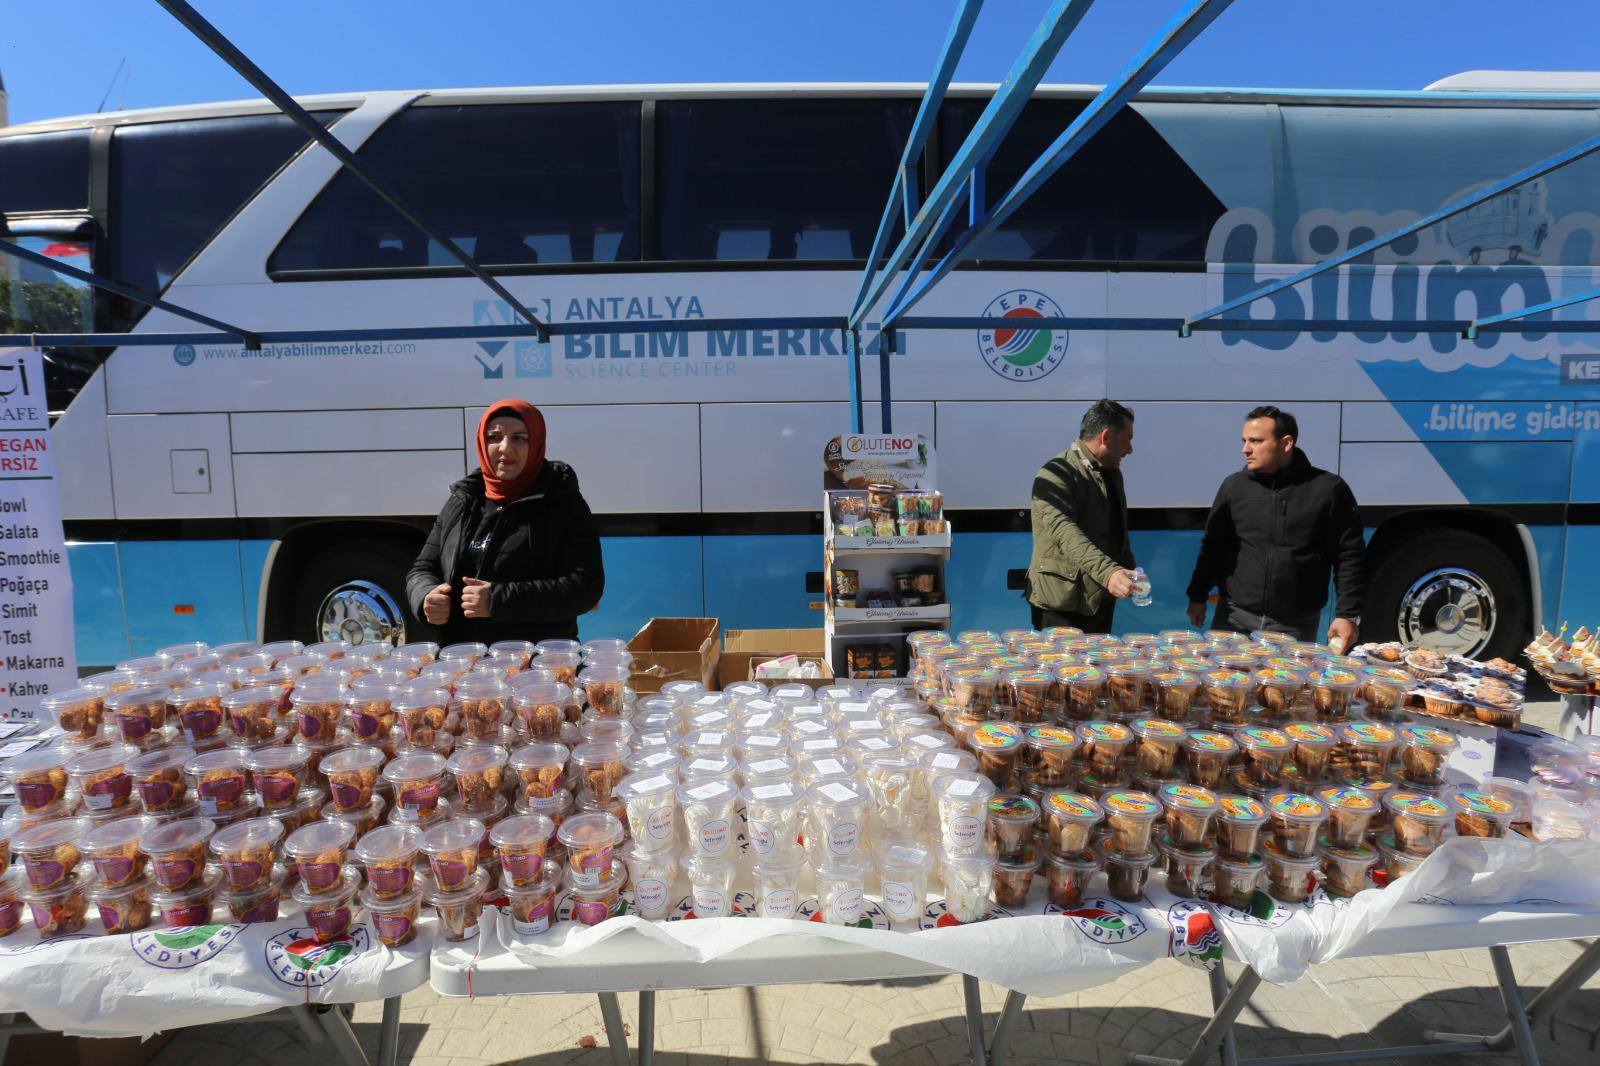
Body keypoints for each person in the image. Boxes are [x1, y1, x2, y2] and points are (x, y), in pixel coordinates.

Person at [407, 398, 604, 646]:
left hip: (536, 662)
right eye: (494, 437)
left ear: (536, 444)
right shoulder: (463, 500)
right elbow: (422, 568)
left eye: (519, 438)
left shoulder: (563, 503)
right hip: (465, 660)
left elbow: (585, 588)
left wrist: (497, 600)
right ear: (482, 442)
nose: (505, 448)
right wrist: (426, 597)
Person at [1185, 406, 1364, 648]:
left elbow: (1349, 556)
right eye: (1244, 441)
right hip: (1233, 619)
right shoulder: (1233, 487)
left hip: (1295, 625)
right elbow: (1212, 547)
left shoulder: (1329, 489)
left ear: (1286, 443)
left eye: (1256, 441)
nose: (1245, 449)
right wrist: (1197, 596)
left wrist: (1347, 614)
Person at [1025, 399, 1140, 633]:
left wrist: (1129, 568)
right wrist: (1109, 573)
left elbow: (1117, 529)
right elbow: (1065, 532)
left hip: (1099, 601)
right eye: (1126, 439)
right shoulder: (1056, 473)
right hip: (1060, 607)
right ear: (1106, 437)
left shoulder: (1112, 474)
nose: (1130, 449)